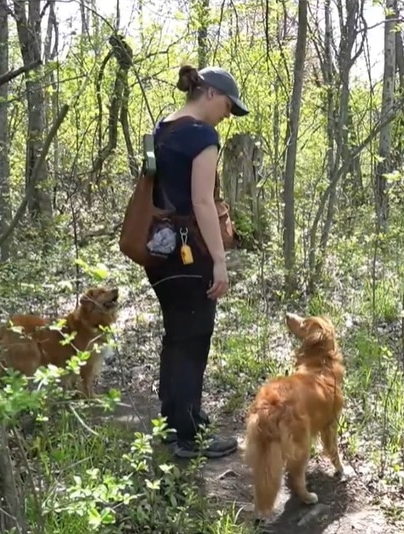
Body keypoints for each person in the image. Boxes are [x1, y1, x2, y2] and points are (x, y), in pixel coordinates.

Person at [145, 64, 249, 459]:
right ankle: (189, 437)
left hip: (158, 250)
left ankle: (174, 421)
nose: (228, 114)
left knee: (176, 334)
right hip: (190, 252)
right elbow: (203, 201)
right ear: (209, 94)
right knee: (193, 339)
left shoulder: (163, 127)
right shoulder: (202, 135)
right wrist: (220, 262)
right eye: (228, 105)